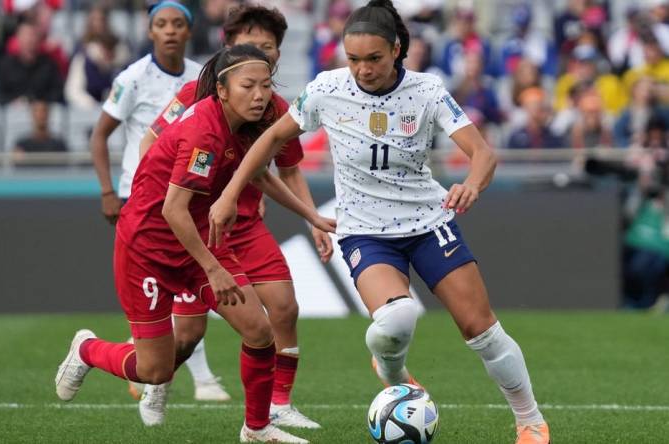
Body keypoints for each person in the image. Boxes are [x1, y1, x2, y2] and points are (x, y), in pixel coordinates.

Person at [208, 1, 551, 443]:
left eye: (373, 59)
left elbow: (483, 153)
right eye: (353, 59)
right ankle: (394, 371)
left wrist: (472, 184)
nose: (362, 70)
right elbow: (272, 138)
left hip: (429, 222)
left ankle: (529, 420)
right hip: (365, 231)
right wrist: (232, 192)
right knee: (396, 319)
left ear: (395, 50)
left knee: (480, 328)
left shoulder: (427, 90)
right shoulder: (327, 88)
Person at [55, 44, 333, 444]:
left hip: (196, 240)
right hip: (147, 249)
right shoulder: (204, 130)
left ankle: (256, 429)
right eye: (249, 86)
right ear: (222, 89)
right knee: (155, 371)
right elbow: (173, 210)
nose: (260, 95)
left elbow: (258, 174)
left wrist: (310, 214)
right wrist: (213, 268)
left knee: (258, 330)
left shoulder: (250, 121)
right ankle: (87, 350)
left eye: (266, 85)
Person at [133, 4, 331, 430]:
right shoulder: (197, 97)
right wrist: (160, 198)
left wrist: (314, 219)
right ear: (230, 50)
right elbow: (153, 142)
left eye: (268, 47)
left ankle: (275, 405)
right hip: (197, 226)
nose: (260, 52)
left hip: (245, 225)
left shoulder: (277, 108)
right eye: (250, 45)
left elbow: (285, 170)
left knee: (283, 307)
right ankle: (157, 379)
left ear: (277, 54)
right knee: (186, 336)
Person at [88, 2, 228, 404]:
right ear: (150, 32)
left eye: (178, 24)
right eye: (161, 24)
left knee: (188, 302)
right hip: (143, 199)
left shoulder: (203, 78)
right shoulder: (133, 78)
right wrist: (107, 191)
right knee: (162, 294)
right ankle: (181, 376)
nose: (169, 31)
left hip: (188, 198)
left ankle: (176, 377)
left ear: (189, 31)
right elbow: (100, 136)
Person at [0, 20, 63, 105]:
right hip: (13, 114)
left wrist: (41, 103)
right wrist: (14, 102)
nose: (30, 40)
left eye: (33, 35)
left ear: (39, 39)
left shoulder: (49, 65)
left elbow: (57, 93)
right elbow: (1, 96)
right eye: (25, 36)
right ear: (18, 39)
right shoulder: (5, 66)